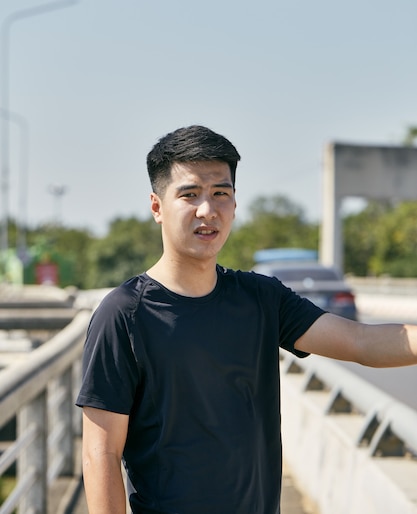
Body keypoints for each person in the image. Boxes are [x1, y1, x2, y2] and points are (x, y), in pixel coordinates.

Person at [76, 124, 417, 514]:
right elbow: (100, 452)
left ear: (235, 205)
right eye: (189, 195)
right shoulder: (123, 314)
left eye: (221, 193)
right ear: (157, 207)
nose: (208, 209)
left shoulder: (261, 299)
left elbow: (361, 342)